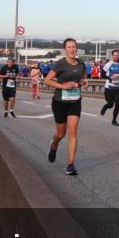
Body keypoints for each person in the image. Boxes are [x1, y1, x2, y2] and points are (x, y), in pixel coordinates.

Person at [45, 39, 89, 176]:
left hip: (75, 101)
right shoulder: (60, 64)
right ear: (65, 49)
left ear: (77, 48)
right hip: (60, 102)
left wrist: (85, 81)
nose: (72, 49)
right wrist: (63, 86)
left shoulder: (81, 63)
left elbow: (83, 76)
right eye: (69, 47)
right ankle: (54, 144)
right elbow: (47, 80)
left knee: (73, 132)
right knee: (61, 134)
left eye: (74, 47)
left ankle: (70, 164)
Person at [101, 50, 119, 125]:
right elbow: (102, 75)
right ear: (112, 56)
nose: (116, 56)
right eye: (114, 55)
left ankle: (114, 120)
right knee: (110, 104)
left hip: (118, 88)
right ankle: (106, 106)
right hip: (109, 88)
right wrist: (110, 78)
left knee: (117, 104)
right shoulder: (108, 64)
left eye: (117, 55)